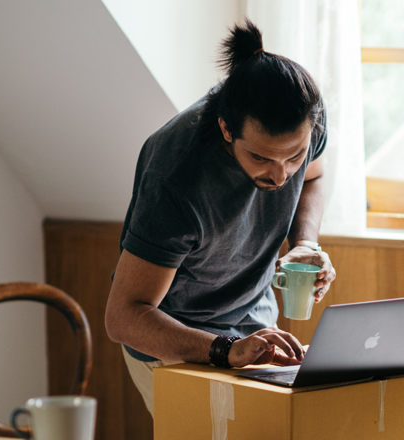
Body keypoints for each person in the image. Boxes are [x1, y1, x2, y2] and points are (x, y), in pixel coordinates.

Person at [105, 19, 336, 416]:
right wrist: (224, 349)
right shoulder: (177, 179)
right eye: (261, 158)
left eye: (293, 156)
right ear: (227, 130)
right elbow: (124, 317)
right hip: (173, 339)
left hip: (253, 319)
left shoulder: (306, 124)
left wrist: (305, 244)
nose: (281, 176)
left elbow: (314, 176)